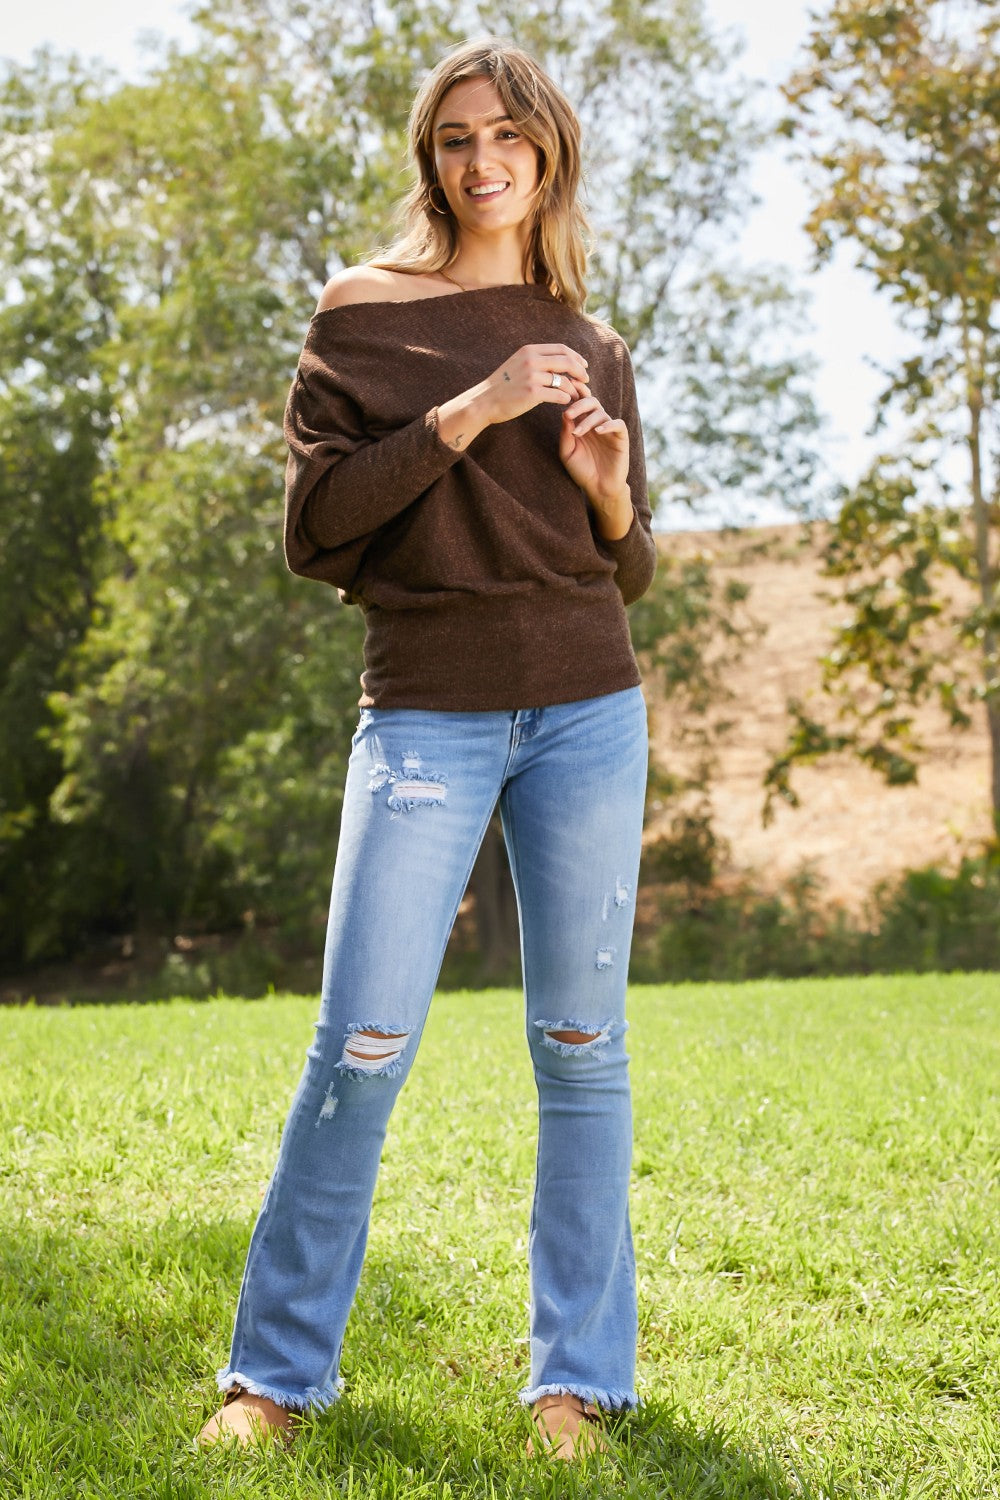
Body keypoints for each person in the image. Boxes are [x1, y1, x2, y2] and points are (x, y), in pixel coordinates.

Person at [197, 35, 657, 1463]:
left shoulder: (593, 343)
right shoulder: (363, 314)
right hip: (424, 710)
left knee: (582, 1048)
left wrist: (606, 490)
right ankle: (274, 1380)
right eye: (458, 137)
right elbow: (314, 532)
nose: (483, 161)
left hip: (588, 701)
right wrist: (469, 414)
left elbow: (630, 574)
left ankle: (575, 1381)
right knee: (364, 1043)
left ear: (548, 154)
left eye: (509, 136)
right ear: (431, 157)